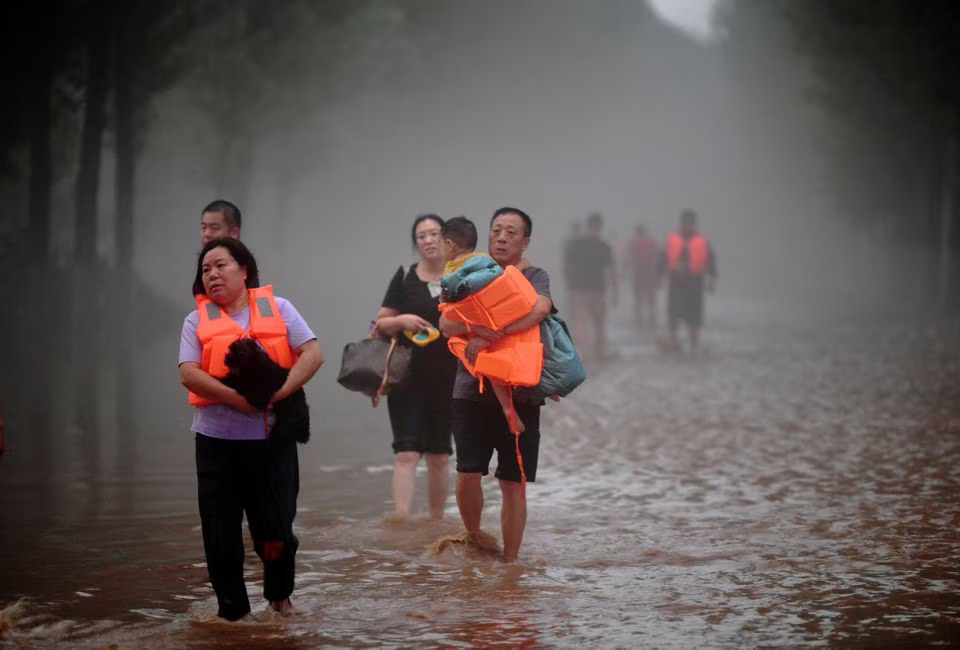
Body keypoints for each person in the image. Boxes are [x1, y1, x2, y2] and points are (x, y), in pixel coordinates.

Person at [178, 237, 323, 620]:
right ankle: (233, 616)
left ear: (244, 270)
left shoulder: (280, 309)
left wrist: (281, 392)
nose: (212, 275)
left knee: (275, 533)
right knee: (220, 536)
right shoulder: (196, 321)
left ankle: (279, 600)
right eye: (205, 270)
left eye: (220, 266)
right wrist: (235, 398)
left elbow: (313, 353)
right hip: (216, 446)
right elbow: (188, 373)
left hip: (271, 445)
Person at [439, 207, 553, 562]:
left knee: (512, 481)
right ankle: (473, 537)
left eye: (511, 233)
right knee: (468, 472)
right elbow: (445, 324)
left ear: (525, 241)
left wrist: (497, 332)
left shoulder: (534, 275)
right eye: (497, 231)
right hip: (470, 389)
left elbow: (540, 309)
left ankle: (511, 561)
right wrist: (478, 330)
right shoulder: (472, 271)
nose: (502, 238)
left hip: (521, 391)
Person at [372, 214, 458, 520]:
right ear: (415, 243)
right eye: (421, 236)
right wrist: (401, 321)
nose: (428, 240)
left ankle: (435, 521)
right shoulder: (405, 276)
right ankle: (401, 521)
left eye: (434, 233)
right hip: (406, 378)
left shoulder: (459, 275)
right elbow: (380, 323)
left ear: (447, 239)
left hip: (449, 378)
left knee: (439, 455)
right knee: (406, 453)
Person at [439, 216, 528, 433]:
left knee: (489, 365)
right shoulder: (478, 260)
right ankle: (520, 401)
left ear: (449, 245)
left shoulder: (460, 266)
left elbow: (450, 299)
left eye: (441, 244)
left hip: (483, 319)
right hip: (491, 319)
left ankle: (508, 408)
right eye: (496, 231)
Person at [659, 209, 717, 353]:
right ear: (680, 223)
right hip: (676, 282)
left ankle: (693, 349)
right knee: (673, 318)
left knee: (694, 321)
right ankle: (674, 345)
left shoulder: (702, 242)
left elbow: (711, 262)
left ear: (694, 224)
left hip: (694, 283)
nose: (687, 225)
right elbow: (662, 259)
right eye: (685, 222)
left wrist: (711, 281)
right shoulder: (672, 240)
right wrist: (659, 275)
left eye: (690, 222)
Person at [565, 211, 617, 362]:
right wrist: (615, 292)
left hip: (577, 289)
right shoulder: (604, 246)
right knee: (599, 322)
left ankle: (586, 354)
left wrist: (569, 286)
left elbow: (567, 267)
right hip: (598, 290)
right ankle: (599, 352)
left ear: (587, 225)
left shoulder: (574, 244)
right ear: (600, 227)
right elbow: (612, 271)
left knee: (581, 322)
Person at [624, 223, 659, 329]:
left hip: (637, 273)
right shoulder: (651, 241)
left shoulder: (633, 242)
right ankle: (652, 319)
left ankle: (639, 319)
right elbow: (656, 256)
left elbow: (628, 258)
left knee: (638, 298)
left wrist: (626, 271)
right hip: (649, 273)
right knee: (650, 298)